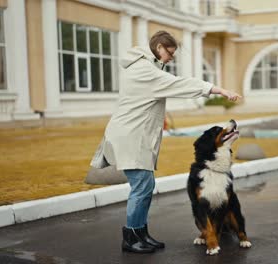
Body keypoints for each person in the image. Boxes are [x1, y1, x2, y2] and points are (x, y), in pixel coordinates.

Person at [90, 30, 241, 254]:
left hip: (136, 136)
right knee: (142, 186)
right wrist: (217, 89)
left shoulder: (147, 67)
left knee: (145, 185)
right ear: (159, 48)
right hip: (131, 136)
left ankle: (140, 232)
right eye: (170, 53)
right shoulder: (144, 71)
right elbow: (180, 84)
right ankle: (131, 237)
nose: (171, 58)